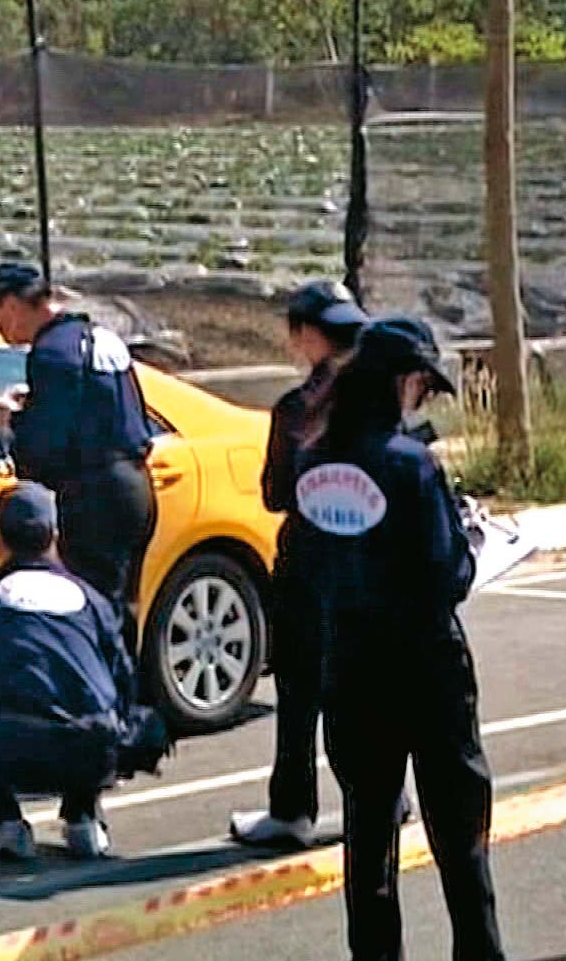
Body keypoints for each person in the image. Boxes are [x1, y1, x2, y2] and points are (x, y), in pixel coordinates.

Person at [297, 316, 505, 961]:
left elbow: (305, 562)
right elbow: (447, 574)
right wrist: (473, 545)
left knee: (368, 832)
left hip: (351, 663)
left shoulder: (316, 458)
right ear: (405, 381)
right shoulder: (411, 465)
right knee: (458, 830)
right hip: (426, 666)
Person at [0, 482, 140, 860]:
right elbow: (123, 682)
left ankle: (4, 824)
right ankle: (83, 818)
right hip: (97, 751)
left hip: (19, 751)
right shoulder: (93, 599)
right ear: (55, 536)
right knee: (96, 714)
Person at [230, 281, 367, 847]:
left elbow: (274, 494)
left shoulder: (297, 409)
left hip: (309, 565)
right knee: (361, 687)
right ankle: (383, 796)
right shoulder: (381, 401)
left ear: (307, 336)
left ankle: (291, 810)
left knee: (300, 694)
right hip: (367, 570)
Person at [0, 264, 156, 644]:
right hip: (135, 487)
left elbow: (47, 446)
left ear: (12, 303)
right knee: (119, 611)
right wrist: (36, 402)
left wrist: (11, 421)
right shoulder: (93, 335)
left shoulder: (50, 354)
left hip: (94, 496)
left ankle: (101, 699)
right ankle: (122, 695)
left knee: (89, 613)